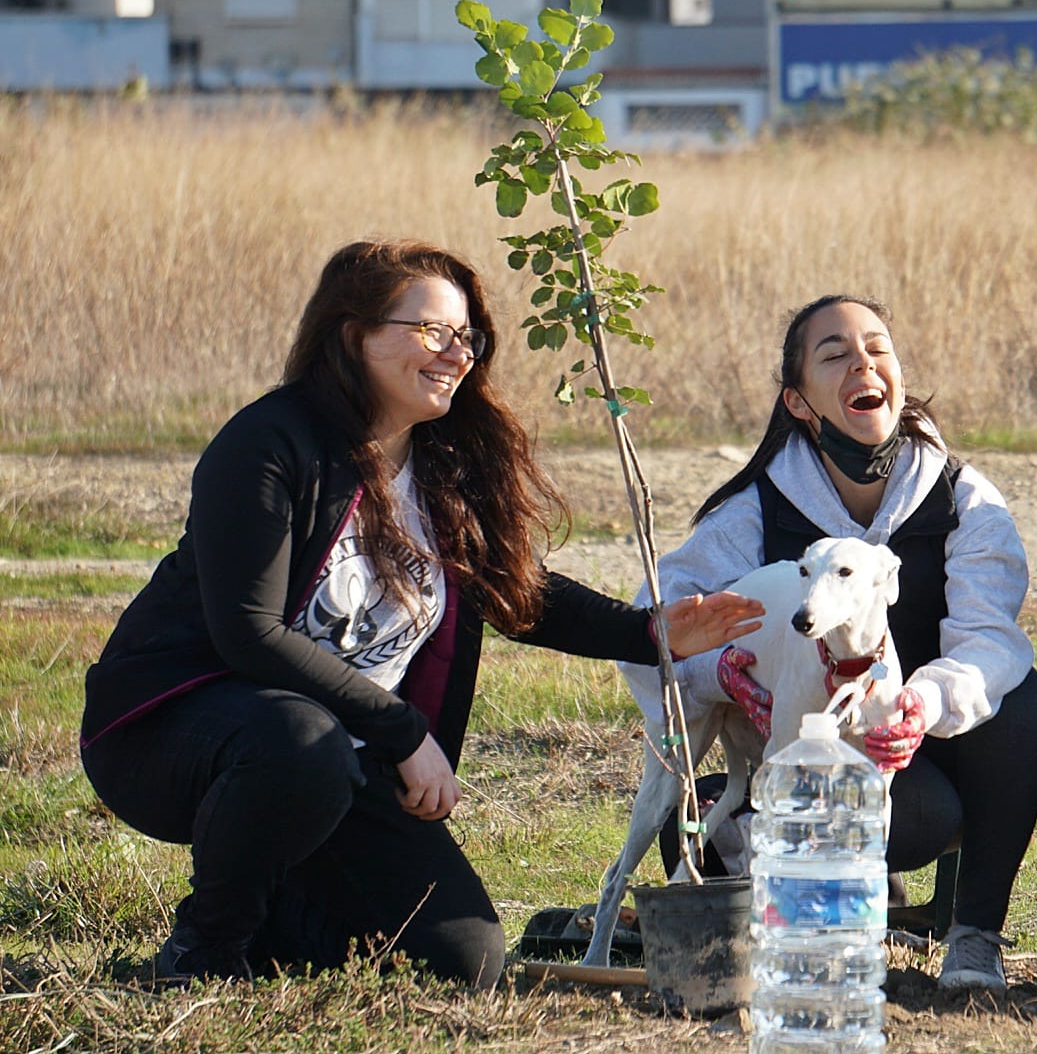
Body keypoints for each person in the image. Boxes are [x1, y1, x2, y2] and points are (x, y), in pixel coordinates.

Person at [79, 240, 761, 989]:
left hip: (343, 755)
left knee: (463, 959)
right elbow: (250, 631)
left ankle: (274, 911)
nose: (457, 352)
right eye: (433, 330)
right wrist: (404, 733)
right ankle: (203, 951)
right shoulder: (269, 444)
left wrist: (647, 631)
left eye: (467, 336)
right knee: (299, 741)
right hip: (181, 733)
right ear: (354, 334)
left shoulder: (442, 464)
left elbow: (518, 591)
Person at [619, 294, 1037, 994]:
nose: (863, 362)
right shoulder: (755, 511)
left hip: (927, 738)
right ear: (798, 403)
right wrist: (725, 674)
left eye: (878, 347)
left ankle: (974, 938)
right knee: (923, 815)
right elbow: (653, 620)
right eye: (835, 353)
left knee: (1030, 706)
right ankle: (745, 845)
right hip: (820, 752)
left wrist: (922, 702)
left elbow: (990, 642)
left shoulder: (963, 499)